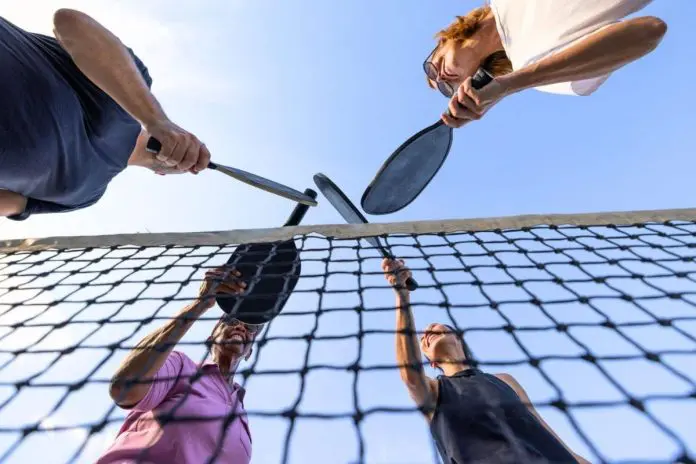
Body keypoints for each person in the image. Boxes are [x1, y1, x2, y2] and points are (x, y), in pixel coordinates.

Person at [0, 10, 210, 221]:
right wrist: (157, 120)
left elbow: (10, 203)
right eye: (191, 149)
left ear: (162, 174)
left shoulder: (86, 196)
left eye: (189, 165)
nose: (186, 158)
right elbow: (69, 22)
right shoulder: (131, 87)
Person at [381, 258, 590, 464]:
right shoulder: (435, 392)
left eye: (436, 327)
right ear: (432, 362)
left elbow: (542, 430)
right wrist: (402, 294)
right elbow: (410, 375)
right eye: (423, 340)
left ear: (458, 338)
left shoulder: (505, 380)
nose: (427, 332)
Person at [98, 267, 258, 464]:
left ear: (250, 352)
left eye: (251, 327)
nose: (241, 326)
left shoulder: (242, 418)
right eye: (230, 320)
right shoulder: (181, 367)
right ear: (211, 338)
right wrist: (200, 304)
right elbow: (124, 389)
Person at [424, 1, 667, 129]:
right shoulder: (535, 69)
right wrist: (509, 84)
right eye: (446, 88)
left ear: (443, 41)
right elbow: (649, 31)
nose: (441, 79)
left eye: (431, 69)